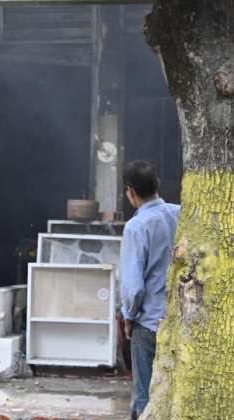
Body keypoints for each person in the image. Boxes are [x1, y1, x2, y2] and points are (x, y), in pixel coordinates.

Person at [120, 160, 180, 419]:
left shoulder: (135, 226)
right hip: (179, 320)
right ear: (156, 185)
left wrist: (128, 318)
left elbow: (133, 287)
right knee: (174, 391)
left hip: (148, 323)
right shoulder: (180, 213)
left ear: (130, 192)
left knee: (144, 395)